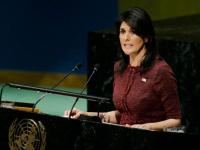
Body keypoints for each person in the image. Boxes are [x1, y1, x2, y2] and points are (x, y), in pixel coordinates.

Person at [64, 7, 182, 131]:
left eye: (133, 32)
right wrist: (85, 115)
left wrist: (146, 127)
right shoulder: (120, 67)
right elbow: (123, 115)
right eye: (122, 31)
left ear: (146, 37)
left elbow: (175, 120)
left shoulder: (160, 71)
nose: (126, 38)